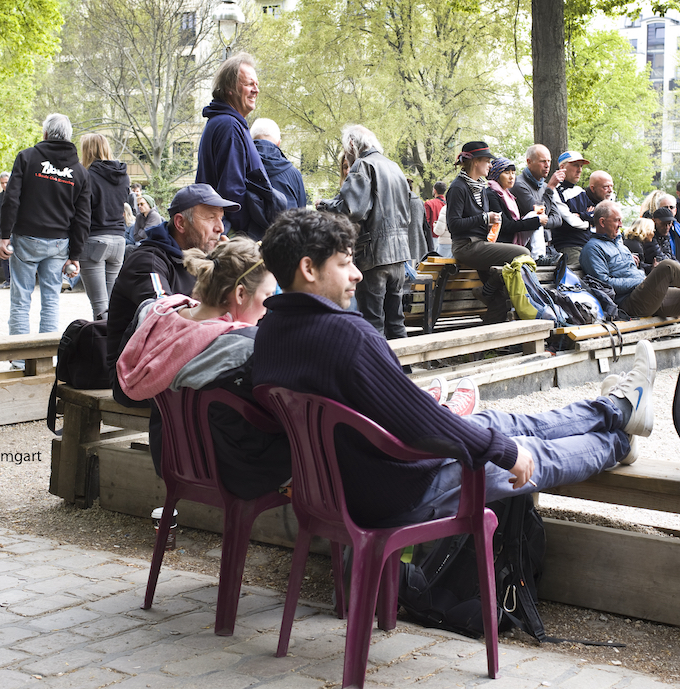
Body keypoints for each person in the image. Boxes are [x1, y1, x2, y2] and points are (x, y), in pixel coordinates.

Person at [251, 207, 658, 528]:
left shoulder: (268, 334)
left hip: (342, 488)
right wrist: (503, 451)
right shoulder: (346, 335)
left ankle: (617, 409)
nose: (357, 273)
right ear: (308, 268)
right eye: (344, 263)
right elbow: (420, 423)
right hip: (401, 489)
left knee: (498, 420)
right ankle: (619, 441)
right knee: (531, 453)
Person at [115, 237, 290, 499]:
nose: (268, 307)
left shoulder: (155, 315)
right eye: (267, 296)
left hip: (169, 459)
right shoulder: (243, 346)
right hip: (235, 471)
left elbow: (121, 391)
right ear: (240, 294)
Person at [106, 184, 236, 475]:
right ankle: (186, 476)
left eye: (221, 218)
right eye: (210, 218)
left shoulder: (204, 260)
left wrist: (227, 268)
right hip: (134, 376)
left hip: (176, 365)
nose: (220, 227)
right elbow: (164, 319)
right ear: (180, 222)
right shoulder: (149, 261)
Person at [581, 200, 680, 341]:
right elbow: (604, 284)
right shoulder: (592, 249)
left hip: (648, 296)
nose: (621, 224)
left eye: (621, 220)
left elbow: (632, 271)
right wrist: (641, 281)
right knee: (667, 266)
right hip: (630, 302)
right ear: (602, 222)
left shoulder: (620, 245)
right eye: (617, 220)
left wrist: (646, 273)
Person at [0, 113, 91, 336]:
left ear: (46, 133)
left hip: (26, 238)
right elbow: (83, 217)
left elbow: (11, 199)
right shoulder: (80, 172)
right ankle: (45, 353)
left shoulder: (27, 158)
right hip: (59, 243)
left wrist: (4, 236)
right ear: (68, 136)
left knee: (20, 299)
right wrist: (75, 255)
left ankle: (20, 354)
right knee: (51, 300)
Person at [316, 124, 412, 339]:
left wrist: (323, 205)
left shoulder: (363, 165)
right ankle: (400, 361)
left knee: (373, 322)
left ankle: (375, 362)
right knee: (396, 321)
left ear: (352, 144)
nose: (346, 154)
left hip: (373, 255)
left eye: (345, 148)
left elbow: (352, 209)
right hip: (399, 255)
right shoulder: (394, 166)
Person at [195, 53, 281, 239]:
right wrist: (246, 237)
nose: (256, 90)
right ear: (229, 89)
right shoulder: (230, 126)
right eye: (249, 84)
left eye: (257, 84)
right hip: (234, 236)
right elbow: (231, 191)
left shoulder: (225, 123)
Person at [446, 141, 531, 324]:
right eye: (487, 161)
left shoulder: (481, 188)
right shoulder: (458, 188)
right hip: (466, 246)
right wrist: (485, 218)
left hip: (481, 244)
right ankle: (485, 291)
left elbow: (481, 221)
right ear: (475, 162)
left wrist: (492, 223)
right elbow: (453, 225)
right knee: (523, 253)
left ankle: (487, 340)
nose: (490, 165)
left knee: (500, 298)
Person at [79, 133, 130, 320]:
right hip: (119, 240)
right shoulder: (124, 176)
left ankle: (101, 339)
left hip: (95, 240)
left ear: (87, 151)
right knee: (113, 306)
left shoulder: (87, 176)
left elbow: (82, 214)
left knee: (100, 307)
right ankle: (114, 338)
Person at [549, 156, 603, 270]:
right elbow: (570, 221)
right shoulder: (555, 191)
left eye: (581, 166)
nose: (580, 170)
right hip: (569, 246)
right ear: (562, 167)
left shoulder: (580, 191)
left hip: (588, 244)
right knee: (578, 275)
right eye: (575, 165)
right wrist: (588, 221)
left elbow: (599, 215)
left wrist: (581, 215)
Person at [512, 145, 565, 257]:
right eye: (542, 161)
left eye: (549, 161)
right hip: (529, 249)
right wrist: (550, 188)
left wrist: (542, 222)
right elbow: (537, 215)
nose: (547, 165)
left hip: (549, 247)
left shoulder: (545, 187)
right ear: (529, 162)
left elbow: (558, 219)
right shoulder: (519, 184)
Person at [486, 156, 546, 247]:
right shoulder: (491, 194)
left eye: (513, 173)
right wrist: (536, 221)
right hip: (501, 242)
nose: (511, 177)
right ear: (496, 175)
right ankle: (538, 255)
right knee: (535, 218)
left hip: (511, 237)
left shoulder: (508, 195)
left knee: (535, 215)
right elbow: (505, 226)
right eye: (507, 173)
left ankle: (540, 254)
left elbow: (515, 221)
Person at [251, 117, 308, 209]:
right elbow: (302, 211)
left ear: (251, 140)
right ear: (278, 143)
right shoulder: (294, 174)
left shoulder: (239, 166)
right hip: (285, 218)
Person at [648, 205, 680, 270]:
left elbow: (671, 256)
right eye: (663, 224)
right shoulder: (649, 236)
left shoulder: (666, 236)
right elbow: (661, 258)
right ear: (654, 221)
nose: (666, 227)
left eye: (669, 223)